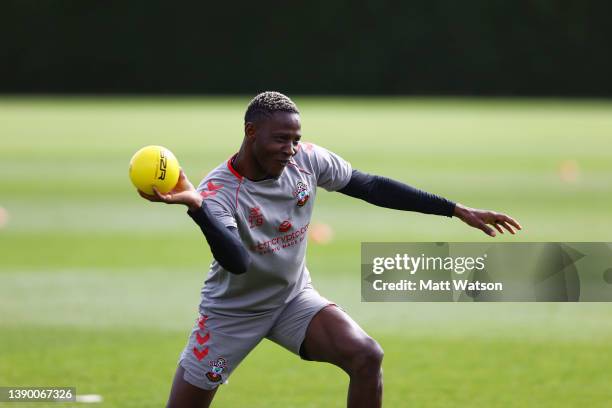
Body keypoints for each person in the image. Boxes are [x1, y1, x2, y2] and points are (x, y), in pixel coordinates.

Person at [138, 91, 522, 408]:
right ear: (250, 132)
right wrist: (197, 206)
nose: (290, 149)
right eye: (280, 139)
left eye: (295, 138)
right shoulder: (218, 192)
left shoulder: (306, 160)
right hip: (232, 313)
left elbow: (370, 186)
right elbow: (236, 262)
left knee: (366, 355)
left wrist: (454, 209)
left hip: (292, 300)